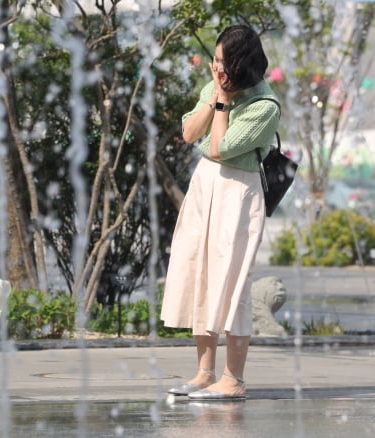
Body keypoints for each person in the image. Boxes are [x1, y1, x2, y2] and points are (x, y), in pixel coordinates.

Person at [160, 25, 280, 400]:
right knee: (199, 273)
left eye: (225, 63)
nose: (217, 68)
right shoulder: (214, 86)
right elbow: (189, 131)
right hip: (205, 187)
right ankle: (203, 371)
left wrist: (224, 101)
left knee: (232, 283)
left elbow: (219, 148)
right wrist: (216, 96)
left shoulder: (264, 106)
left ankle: (233, 379)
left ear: (244, 65)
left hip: (238, 193)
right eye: (215, 60)